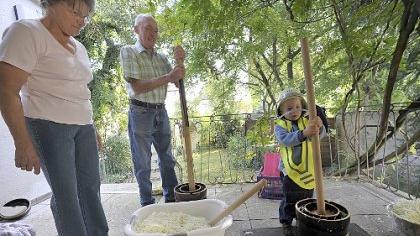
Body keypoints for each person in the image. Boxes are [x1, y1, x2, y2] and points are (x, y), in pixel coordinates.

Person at [0, 0, 108, 235]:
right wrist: (22, 143)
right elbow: (7, 90)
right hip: (49, 125)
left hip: (83, 127)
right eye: (74, 11)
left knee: (90, 189)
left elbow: (81, 92)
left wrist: (92, 127)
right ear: (51, 3)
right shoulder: (26, 32)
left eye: (85, 16)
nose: (81, 20)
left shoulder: (79, 47)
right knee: (67, 196)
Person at [119, 13, 184, 206]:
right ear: (136, 29)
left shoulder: (162, 58)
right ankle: (146, 203)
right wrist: (168, 77)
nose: (153, 34)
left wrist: (180, 61)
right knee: (142, 162)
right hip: (140, 113)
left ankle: (172, 197)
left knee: (167, 158)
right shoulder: (128, 51)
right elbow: (137, 87)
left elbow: (179, 82)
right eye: (148, 28)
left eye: (155, 30)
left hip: (160, 111)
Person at [274, 89, 325, 236]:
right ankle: (286, 222)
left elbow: (316, 137)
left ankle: (303, 220)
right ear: (281, 110)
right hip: (289, 171)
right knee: (290, 197)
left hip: (308, 169)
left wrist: (319, 127)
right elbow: (285, 140)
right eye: (289, 108)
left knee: (306, 197)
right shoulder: (280, 126)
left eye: (297, 107)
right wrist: (303, 133)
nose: (294, 111)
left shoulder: (307, 121)